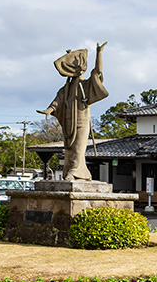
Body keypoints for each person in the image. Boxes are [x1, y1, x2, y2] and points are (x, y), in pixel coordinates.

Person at [38, 42, 109, 181]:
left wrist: (99, 54)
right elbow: (57, 101)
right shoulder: (66, 89)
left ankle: (75, 172)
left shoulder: (86, 85)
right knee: (69, 151)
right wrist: (49, 110)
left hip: (82, 122)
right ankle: (75, 172)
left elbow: (97, 72)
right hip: (68, 123)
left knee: (78, 149)